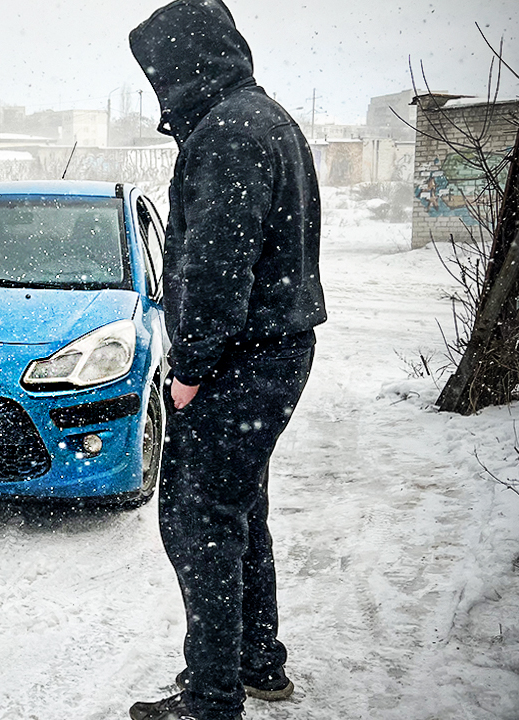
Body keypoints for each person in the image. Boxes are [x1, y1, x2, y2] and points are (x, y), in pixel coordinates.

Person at [126, 1, 327, 719]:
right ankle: (257, 661)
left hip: (240, 359)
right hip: (272, 348)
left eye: (160, 74)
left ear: (184, 64)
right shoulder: (264, 119)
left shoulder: (228, 133)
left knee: (199, 524)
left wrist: (190, 368)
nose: (158, 91)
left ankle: (212, 698)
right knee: (240, 510)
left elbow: (216, 268)